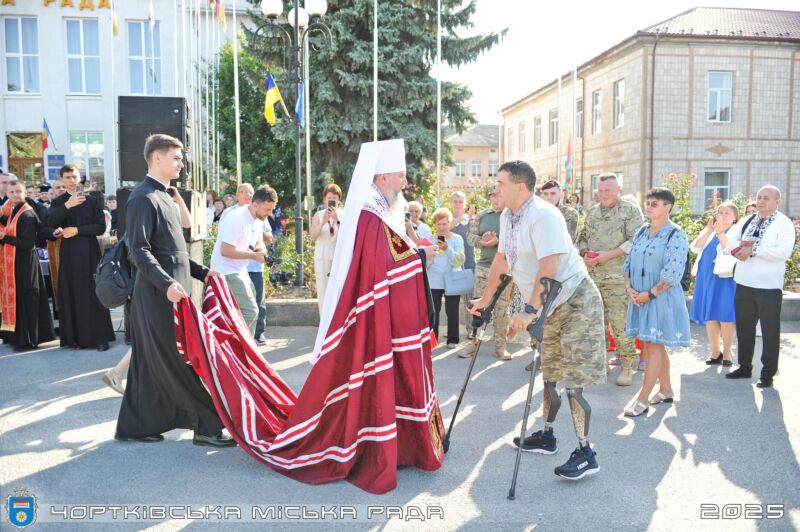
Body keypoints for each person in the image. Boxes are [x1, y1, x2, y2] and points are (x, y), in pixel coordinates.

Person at [263, 138, 443, 493]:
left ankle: (406, 445)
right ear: (381, 178)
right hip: (377, 316)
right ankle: (384, 448)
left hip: (389, 315)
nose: (405, 183)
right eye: (400, 176)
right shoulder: (371, 213)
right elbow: (384, 264)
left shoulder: (379, 209)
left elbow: (391, 257)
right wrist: (419, 257)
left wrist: (417, 251)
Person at [471, 160, 605, 480]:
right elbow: (502, 260)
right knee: (550, 375)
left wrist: (528, 311)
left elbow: (550, 269)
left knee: (573, 382)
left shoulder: (544, 215)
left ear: (520, 187)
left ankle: (587, 452)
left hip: (575, 302)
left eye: (501, 183)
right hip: (549, 304)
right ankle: (546, 436)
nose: (496, 188)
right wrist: (487, 298)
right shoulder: (508, 216)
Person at [115, 133, 233, 447]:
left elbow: (175, 253)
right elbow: (138, 250)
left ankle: (136, 425)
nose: (182, 164)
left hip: (170, 293)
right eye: (176, 158)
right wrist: (167, 284)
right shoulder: (142, 197)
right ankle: (208, 425)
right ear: (157, 157)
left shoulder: (165, 196)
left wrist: (204, 273)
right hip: (157, 295)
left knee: (148, 361)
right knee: (178, 358)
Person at [622, 188, 690, 416]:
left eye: (654, 203)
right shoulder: (641, 231)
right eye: (648, 202)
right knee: (655, 345)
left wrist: (649, 294)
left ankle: (642, 399)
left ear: (667, 206)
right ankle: (667, 389)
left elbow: (673, 273)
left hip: (660, 298)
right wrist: (629, 288)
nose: (648, 206)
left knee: (652, 346)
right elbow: (628, 263)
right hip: (639, 297)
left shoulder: (676, 234)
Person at [725, 185, 795, 388]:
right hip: (744, 283)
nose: (761, 201)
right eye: (759, 197)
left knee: (769, 331)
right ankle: (745, 367)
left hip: (769, 287)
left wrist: (754, 249)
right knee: (745, 329)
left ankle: (767, 374)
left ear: (777, 202)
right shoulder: (749, 219)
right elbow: (730, 240)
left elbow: (782, 252)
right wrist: (739, 249)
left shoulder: (784, 223)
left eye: (766, 198)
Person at [577, 172, 644, 386]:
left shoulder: (630, 211)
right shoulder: (592, 212)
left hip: (618, 279)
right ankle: (601, 362)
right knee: (595, 321)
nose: (604, 194)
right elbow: (582, 238)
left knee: (620, 324)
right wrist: (585, 252)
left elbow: (636, 241)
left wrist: (608, 255)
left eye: (609, 190)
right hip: (593, 277)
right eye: (601, 190)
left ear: (618, 190)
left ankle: (626, 366)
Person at [47, 164, 115, 351]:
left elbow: (100, 228)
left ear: (80, 178)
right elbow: (50, 222)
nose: (71, 180)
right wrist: (67, 206)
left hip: (89, 251)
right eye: (67, 177)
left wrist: (77, 230)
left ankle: (99, 338)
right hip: (68, 254)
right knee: (73, 292)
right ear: (62, 179)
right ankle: (75, 338)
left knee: (93, 292)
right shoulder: (58, 202)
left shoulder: (93, 200)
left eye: (74, 176)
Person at [210, 185, 277, 336]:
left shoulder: (259, 219)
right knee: (251, 312)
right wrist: (253, 256)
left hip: (240, 270)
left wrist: (261, 251)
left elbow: (259, 243)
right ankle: (242, 351)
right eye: (267, 209)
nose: (270, 213)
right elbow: (225, 250)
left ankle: (241, 350)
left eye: (272, 209)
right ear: (254, 204)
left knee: (249, 311)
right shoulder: (236, 218)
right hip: (226, 271)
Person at [0, 180, 55, 349]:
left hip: (26, 262)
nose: (15, 195)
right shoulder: (13, 211)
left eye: (18, 191)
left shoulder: (27, 214)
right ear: (7, 194)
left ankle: (28, 339)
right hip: (17, 262)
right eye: (12, 192)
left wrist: (4, 238)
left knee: (26, 298)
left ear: (25, 193)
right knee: (19, 298)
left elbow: (26, 243)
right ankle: (16, 337)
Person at [689, 202, 738, 366]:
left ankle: (727, 353)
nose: (722, 216)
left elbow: (730, 250)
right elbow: (695, 247)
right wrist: (710, 230)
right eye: (720, 212)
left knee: (726, 315)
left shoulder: (737, 232)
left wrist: (720, 232)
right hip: (706, 276)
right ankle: (715, 351)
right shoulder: (710, 230)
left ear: (734, 217)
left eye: (727, 213)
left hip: (726, 278)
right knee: (710, 315)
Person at [466, 189, 511, 360]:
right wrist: (482, 241)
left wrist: (498, 241)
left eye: (499, 195)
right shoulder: (483, 215)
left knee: (501, 310)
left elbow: (518, 238)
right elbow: (470, 237)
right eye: (493, 196)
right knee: (477, 307)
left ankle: (500, 347)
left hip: (504, 269)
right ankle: (473, 345)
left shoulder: (511, 215)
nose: (495, 199)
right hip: (483, 268)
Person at [427, 207, 466, 349]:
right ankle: (433, 340)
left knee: (452, 310)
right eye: (439, 224)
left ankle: (453, 340)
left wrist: (447, 249)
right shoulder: (429, 239)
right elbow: (425, 263)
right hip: (434, 280)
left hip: (452, 279)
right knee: (433, 311)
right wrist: (433, 253)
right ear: (435, 224)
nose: (441, 227)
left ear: (449, 223)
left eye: (444, 224)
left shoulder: (457, 239)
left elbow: (460, 260)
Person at [310, 183, 343, 315]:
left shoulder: (344, 214)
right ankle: (324, 324)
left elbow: (347, 237)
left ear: (339, 200)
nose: (332, 200)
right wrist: (323, 222)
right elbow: (313, 236)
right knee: (323, 290)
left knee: (337, 291)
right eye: (330, 198)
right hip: (322, 257)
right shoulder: (318, 215)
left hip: (338, 256)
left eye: (335, 198)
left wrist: (337, 219)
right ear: (324, 199)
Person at [450, 191, 476, 339]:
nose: (458, 204)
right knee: (452, 301)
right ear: (451, 203)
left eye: (461, 201)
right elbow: (444, 231)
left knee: (469, 300)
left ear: (465, 203)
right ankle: (452, 332)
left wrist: (470, 218)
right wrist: (460, 217)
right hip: (452, 267)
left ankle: (471, 330)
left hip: (468, 264)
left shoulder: (470, 221)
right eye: (456, 201)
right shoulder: (447, 219)